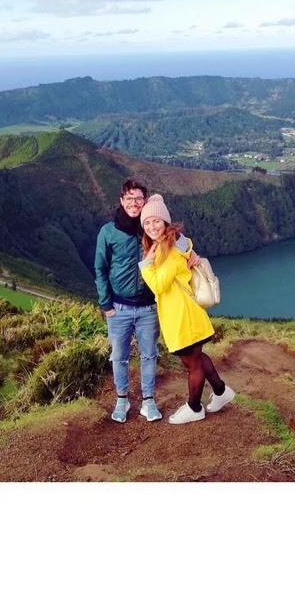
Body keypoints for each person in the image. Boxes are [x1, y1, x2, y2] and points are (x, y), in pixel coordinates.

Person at [94, 178, 199, 424]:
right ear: (121, 201)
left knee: (149, 354)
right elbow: (100, 269)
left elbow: (178, 237)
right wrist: (106, 304)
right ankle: (122, 399)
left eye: (138, 198)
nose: (133, 203)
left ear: (145, 201)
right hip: (118, 307)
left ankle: (148, 401)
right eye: (129, 198)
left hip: (149, 306)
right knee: (118, 355)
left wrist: (191, 252)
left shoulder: (150, 226)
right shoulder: (108, 232)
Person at [138, 194, 235, 424]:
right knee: (197, 359)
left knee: (192, 364)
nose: (152, 227)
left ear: (165, 222)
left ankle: (194, 407)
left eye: (156, 221)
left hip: (183, 316)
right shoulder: (169, 244)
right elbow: (185, 247)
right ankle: (221, 392)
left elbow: (159, 285)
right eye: (147, 223)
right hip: (184, 314)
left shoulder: (169, 249)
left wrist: (145, 266)